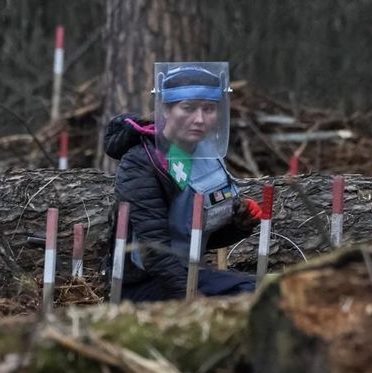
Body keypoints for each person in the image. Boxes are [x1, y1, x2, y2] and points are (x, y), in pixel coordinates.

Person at [103, 63, 262, 302]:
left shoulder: (206, 154)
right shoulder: (142, 162)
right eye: (188, 108)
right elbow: (154, 250)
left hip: (187, 273)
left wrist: (239, 224)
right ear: (166, 110)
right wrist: (191, 302)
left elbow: (194, 234)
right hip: (143, 285)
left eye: (209, 109)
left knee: (268, 288)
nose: (199, 119)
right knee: (253, 295)